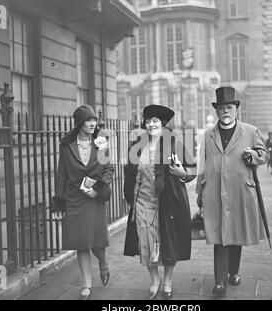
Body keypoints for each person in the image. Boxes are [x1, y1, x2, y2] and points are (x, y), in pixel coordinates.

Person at [196, 87, 269, 296]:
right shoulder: (208, 135)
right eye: (221, 108)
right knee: (219, 238)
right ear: (216, 111)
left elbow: (264, 155)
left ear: (236, 109)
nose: (225, 111)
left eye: (229, 107)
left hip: (240, 193)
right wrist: (200, 193)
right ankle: (220, 282)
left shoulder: (250, 131)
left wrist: (252, 155)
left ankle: (233, 273)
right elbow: (203, 165)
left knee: (236, 235)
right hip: (214, 193)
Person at [123, 105, 196, 300]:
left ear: (163, 124)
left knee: (169, 243)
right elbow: (129, 173)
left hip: (168, 201)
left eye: (155, 121)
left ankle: (168, 281)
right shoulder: (137, 145)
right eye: (148, 121)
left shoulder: (175, 144)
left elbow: (193, 169)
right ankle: (155, 279)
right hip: (143, 202)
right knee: (146, 243)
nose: (151, 124)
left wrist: (183, 173)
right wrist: (130, 196)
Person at [50, 105, 114, 300]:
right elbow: (62, 174)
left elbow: (109, 169)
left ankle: (103, 262)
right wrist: (59, 201)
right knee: (81, 243)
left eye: (94, 119)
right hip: (75, 199)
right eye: (88, 120)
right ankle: (87, 284)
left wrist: (98, 190)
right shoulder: (66, 144)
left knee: (97, 243)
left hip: (94, 198)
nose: (92, 123)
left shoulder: (101, 142)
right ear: (79, 123)